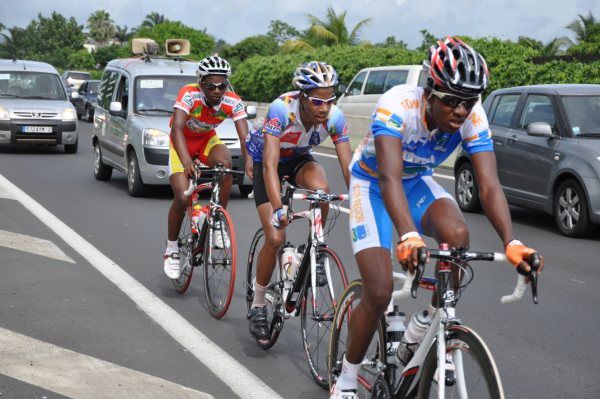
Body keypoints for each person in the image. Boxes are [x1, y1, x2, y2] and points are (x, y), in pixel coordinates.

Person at [331, 37, 546, 398]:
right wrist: (407, 235)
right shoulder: (398, 105)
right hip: (372, 185)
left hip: (415, 182)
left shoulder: (472, 117)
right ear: (429, 91)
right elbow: (388, 177)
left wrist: (512, 241)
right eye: (451, 100)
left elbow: (489, 184)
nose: (461, 111)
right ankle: (348, 380)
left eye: (469, 100)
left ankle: (427, 324)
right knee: (380, 289)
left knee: (457, 236)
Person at [245, 61, 353, 340]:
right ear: (302, 97)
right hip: (267, 162)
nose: (325, 108)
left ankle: (313, 247)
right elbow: (269, 165)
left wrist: (363, 201)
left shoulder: (335, 117)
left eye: (330, 100)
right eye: (318, 101)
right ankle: (258, 302)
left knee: (322, 189)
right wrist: (279, 209)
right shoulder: (282, 109)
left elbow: (349, 168)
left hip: (298, 158)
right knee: (275, 237)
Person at [164, 56, 252, 279]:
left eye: (222, 85)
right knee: (183, 197)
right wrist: (186, 162)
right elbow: (177, 129)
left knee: (226, 166)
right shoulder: (189, 93)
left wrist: (251, 163)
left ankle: (217, 221)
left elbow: (245, 138)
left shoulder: (232, 101)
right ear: (201, 83)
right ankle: (172, 248)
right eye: (210, 85)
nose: (216, 90)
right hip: (181, 142)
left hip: (205, 140)